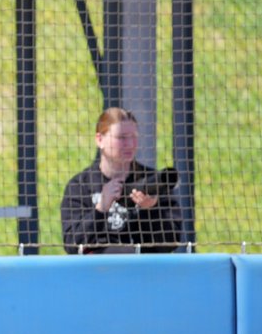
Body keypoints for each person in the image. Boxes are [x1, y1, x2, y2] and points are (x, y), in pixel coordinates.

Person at [60, 107, 180, 254]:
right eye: (121, 138)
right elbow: (72, 244)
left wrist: (151, 209)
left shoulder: (154, 182)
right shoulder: (80, 185)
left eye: (133, 137)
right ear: (100, 140)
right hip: (100, 267)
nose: (130, 144)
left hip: (143, 266)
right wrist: (101, 209)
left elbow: (171, 242)